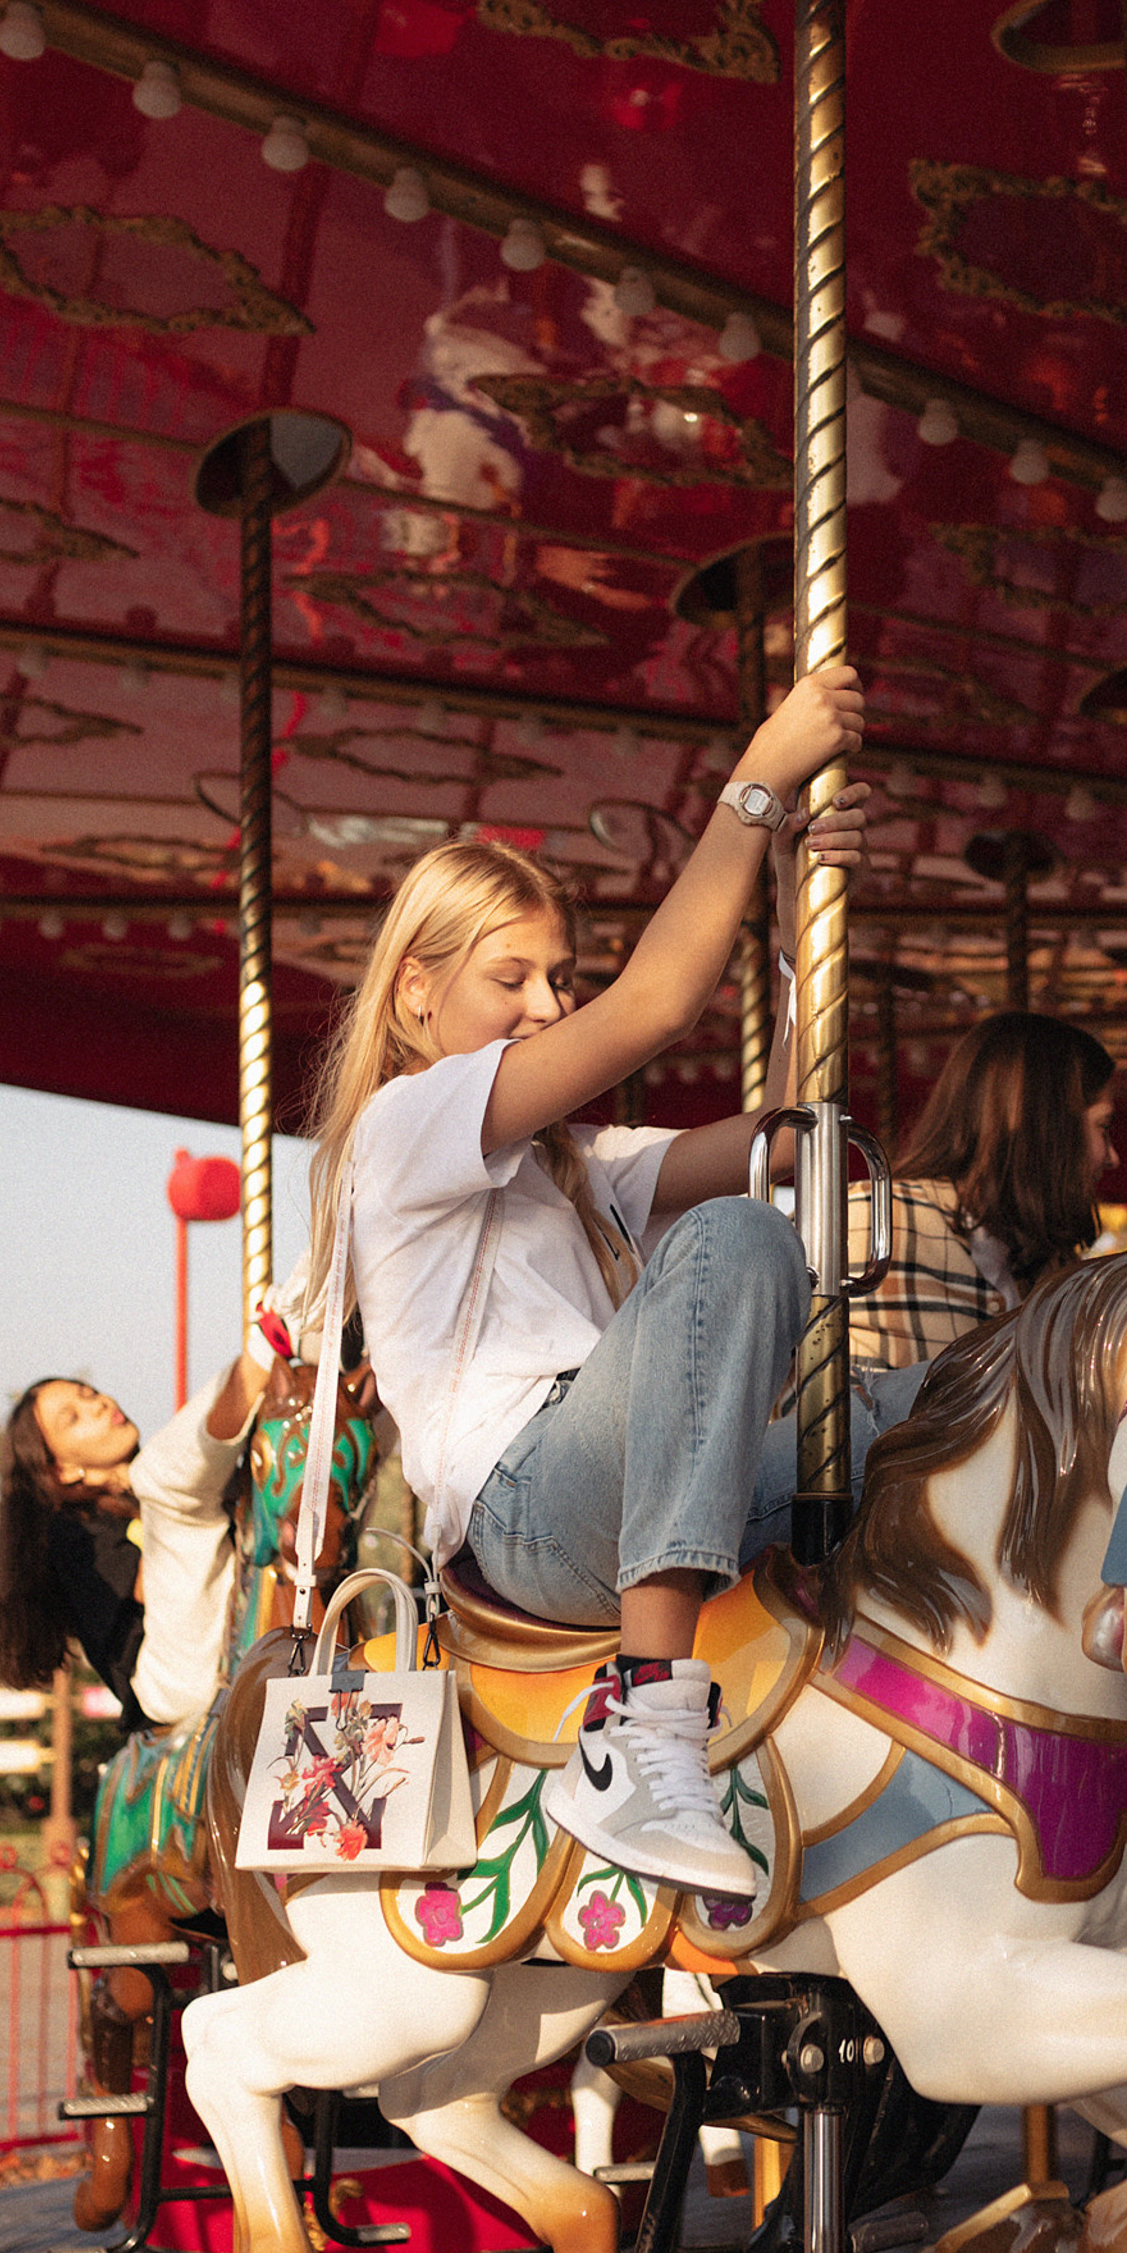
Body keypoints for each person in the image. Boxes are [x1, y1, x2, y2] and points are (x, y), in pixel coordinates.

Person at [304, 661, 891, 1900]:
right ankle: (644, 1724)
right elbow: (656, 1008)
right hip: (524, 1504)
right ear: (417, 990)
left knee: (922, 1410)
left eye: (556, 978)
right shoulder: (407, 1128)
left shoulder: (577, 1165)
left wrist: (798, 935)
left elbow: (786, 1147)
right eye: (510, 977)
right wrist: (754, 785)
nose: (547, 1002)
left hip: (629, 1477)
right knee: (735, 1247)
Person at [0, 1310, 295, 1739]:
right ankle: (262, 1356)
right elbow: (151, 1584)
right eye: (73, 1417)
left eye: (89, 1392)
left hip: (231, 1631)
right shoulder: (73, 1531)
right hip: (168, 1676)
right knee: (169, 1489)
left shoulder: (135, 1495)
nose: (98, 1404)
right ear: (61, 1470)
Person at [844, 1011, 1117, 1370]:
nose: (1112, 1157)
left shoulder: (1054, 1271)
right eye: (1103, 1127)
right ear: (1048, 1126)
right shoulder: (872, 1223)